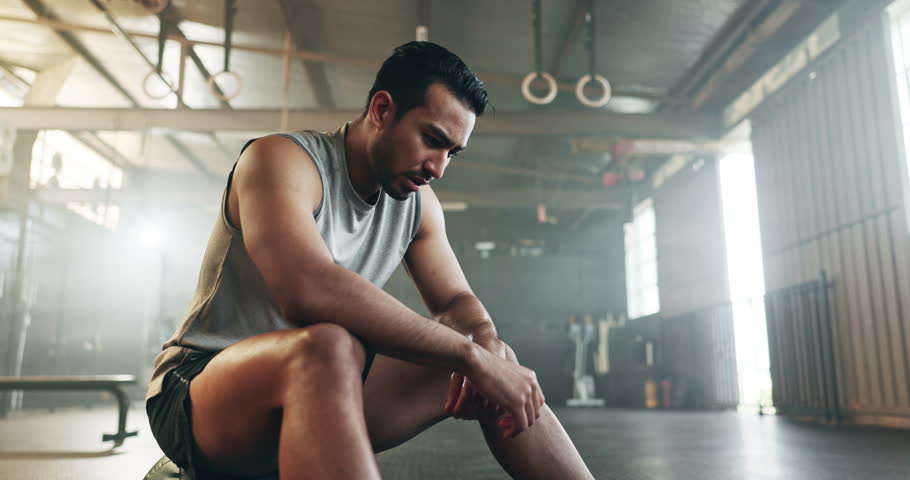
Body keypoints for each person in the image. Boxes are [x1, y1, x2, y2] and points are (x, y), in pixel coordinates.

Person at [145, 41, 594, 480]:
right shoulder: (281, 160)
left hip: (327, 384)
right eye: (432, 140)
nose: (438, 168)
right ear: (382, 110)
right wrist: (469, 354)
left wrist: (485, 343)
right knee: (327, 347)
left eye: (451, 153)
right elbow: (308, 289)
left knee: (496, 364)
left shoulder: (418, 206)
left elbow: (455, 301)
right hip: (199, 394)